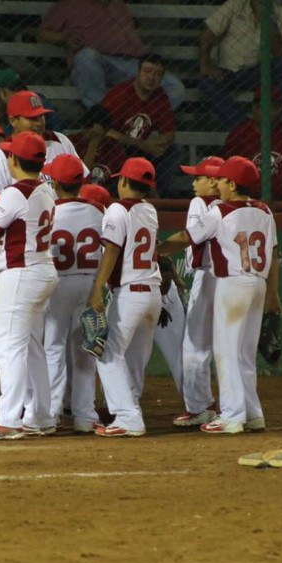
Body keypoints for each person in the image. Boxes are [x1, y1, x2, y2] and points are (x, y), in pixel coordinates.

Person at [0, 131, 59, 440]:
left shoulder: (14, 192)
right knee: (32, 345)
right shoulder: (47, 189)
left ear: (13, 160)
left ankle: (9, 418)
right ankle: (41, 415)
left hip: (19, 274)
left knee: (9, 347)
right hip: (41, 271)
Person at [182, 156, 280, 435]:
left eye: (223, 181)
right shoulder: (265, 211)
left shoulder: (220, 212)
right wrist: (273, 293)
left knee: (226, 351)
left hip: (232, 284)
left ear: (233, 185)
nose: (218, 185)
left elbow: (190, 236)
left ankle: (232, 416)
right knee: (246, 353)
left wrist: (161, 248)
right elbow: (272, 254)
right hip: (258, 285)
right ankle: (252, 413)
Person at [38, 0, 185, 110]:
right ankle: (102, 117)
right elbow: (42, 34)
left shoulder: (117, 3)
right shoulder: (67, 6)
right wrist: (65, 37)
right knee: (85, 56)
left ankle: (138, 119)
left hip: (133, 63)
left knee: (175, 88)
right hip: (99, 61)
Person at [88, 157, 162, 438]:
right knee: (133, 358)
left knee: (107, 352)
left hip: (130, 294)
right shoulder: (150, 210)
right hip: (151, 294)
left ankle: (128, 416)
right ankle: (130, 407)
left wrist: (97, 287)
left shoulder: (117, 209)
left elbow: (112, 251)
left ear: (122, 181)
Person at [156, 155, 224, 427]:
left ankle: (201, 406)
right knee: (227, 347)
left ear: (213, 181)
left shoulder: (202, 203)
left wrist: (156, 253)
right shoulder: (235, 205)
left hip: (209, 277)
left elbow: (190, 236)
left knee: (195, 344)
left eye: (198, 177)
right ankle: (234, 409)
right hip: (231, 280)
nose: (193, 183)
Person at [41, 153, 106, 433]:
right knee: (85, 350)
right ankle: (84, 414)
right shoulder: (97, 211)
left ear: (54, 182)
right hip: (90, 284)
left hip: (59, 283)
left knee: (53, 347)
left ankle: (53, 411)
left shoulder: (51, 211)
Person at [198, 0, 282, 130]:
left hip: (257, 72)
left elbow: (278, 52)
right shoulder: (235, 5)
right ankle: (241, 128)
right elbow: (208, 32)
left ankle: (272, 119)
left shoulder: (281, 16)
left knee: (280, 66)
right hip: (227, 71)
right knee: (206, 83)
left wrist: (268, 21)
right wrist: (205, 64)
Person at [102, 54, 185, 197]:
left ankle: (158, 196)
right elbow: (105, 131)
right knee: (114, 149)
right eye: (147, 71)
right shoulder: (120, 93)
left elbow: (170, 133)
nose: (151, 77)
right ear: (138, 72)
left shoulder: (160, 96)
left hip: (141, 148)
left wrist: (161, 143)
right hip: (116, 146)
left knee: (175, 151)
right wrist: (142, 144)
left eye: (157, 74)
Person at [0, 91, 84, 196]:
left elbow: (83, 182)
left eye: (41, 116)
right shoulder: (1, 154)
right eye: (32, 118)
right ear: (13, 121)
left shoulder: (60, 141)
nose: (39, 123)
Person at [222, 87, 282, 200]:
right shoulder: (239, 134)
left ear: (280, 109)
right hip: (247, 200)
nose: (267, 112)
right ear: (254, 109)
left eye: (273, 107)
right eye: (261, 107)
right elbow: (226, 170)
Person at [69, 104, 126, 186]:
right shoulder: (71, 142)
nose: (92, 134)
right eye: (89, 129)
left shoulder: (112, 146)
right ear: (83, 127)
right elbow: (82, 176)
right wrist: (94, 141)